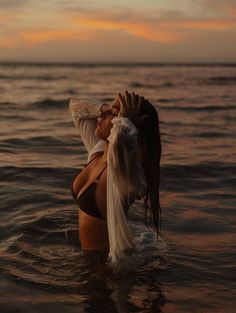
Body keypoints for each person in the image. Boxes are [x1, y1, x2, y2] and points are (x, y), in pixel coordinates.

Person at [69, 91, 161, 267]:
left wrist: (125, 119)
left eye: (113, 113)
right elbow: (76, 109)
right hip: (88, 262)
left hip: (109, 270)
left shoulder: (127, 173)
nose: (102, 115)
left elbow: (123, 140)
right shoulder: (97, 151)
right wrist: (107, 108)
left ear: (127, 124)